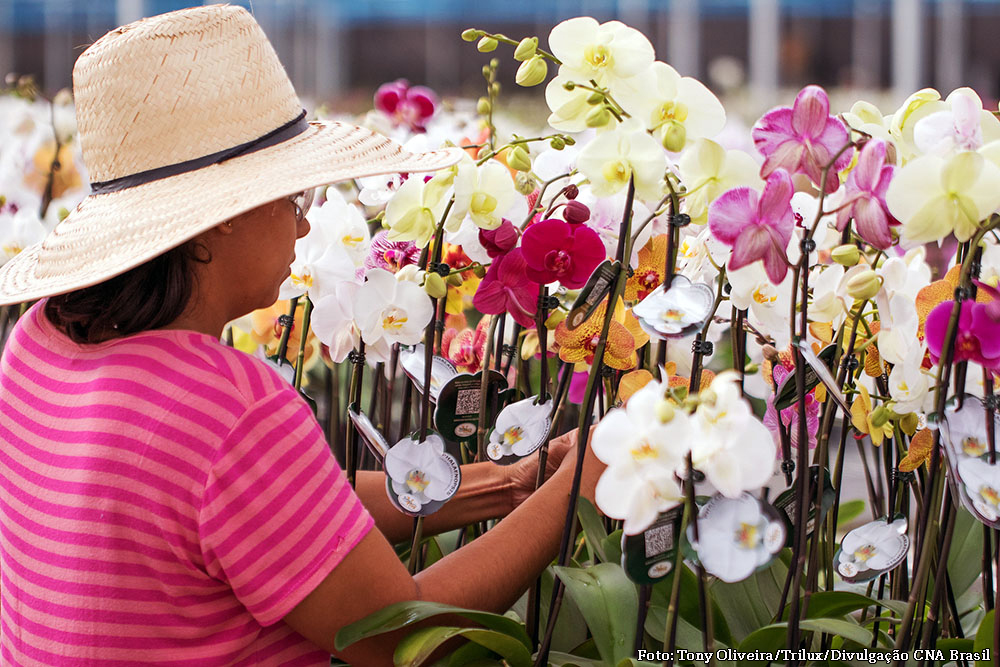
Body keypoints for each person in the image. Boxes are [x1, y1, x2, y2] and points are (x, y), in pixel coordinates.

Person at [0, 5, 605, 666]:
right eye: (293, 200)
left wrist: (510, 484)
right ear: (222, 217)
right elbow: (399, 637)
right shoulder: (228, 408)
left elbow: (286, 513)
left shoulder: (40, 340)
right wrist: (577, 492)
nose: (304, 228)